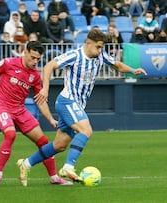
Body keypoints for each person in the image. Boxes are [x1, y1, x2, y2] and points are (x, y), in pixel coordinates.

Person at [16, 29, 147, 185]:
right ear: (88, 43)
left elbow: (117, 65)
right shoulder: (75, 55)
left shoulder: (101, 55)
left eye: (102, 47)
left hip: (77, 105)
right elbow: (49, 66)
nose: (100, 50)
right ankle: (68, 167)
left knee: (59, 145)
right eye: (98, 47)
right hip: (67, 101)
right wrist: (45, 88)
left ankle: (26, 164)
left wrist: (133, 70)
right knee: (86, 130)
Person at [0, 41, 72, 187]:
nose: (35, 62)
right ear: (25, 52)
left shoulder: (35, 76)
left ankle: (53, 177)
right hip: (1, 107)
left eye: (38, 59)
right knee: (10, 134)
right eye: (33, 57)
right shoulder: (8, 63)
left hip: (20, 110)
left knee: (44, 142)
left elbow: (40, 100)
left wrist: (51, 119)